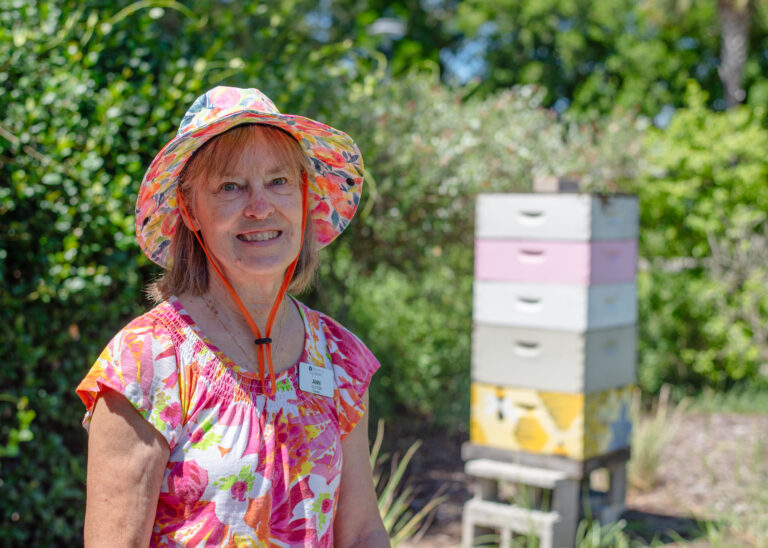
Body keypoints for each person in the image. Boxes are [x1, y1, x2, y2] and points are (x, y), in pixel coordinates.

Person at [76, 86, 389, 547]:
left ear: (304, 196)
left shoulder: (338, 358)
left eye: (279, 181)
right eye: (230, 187)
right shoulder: (147, 362)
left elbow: (361, 532)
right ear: (190, 210)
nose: (260, 207)